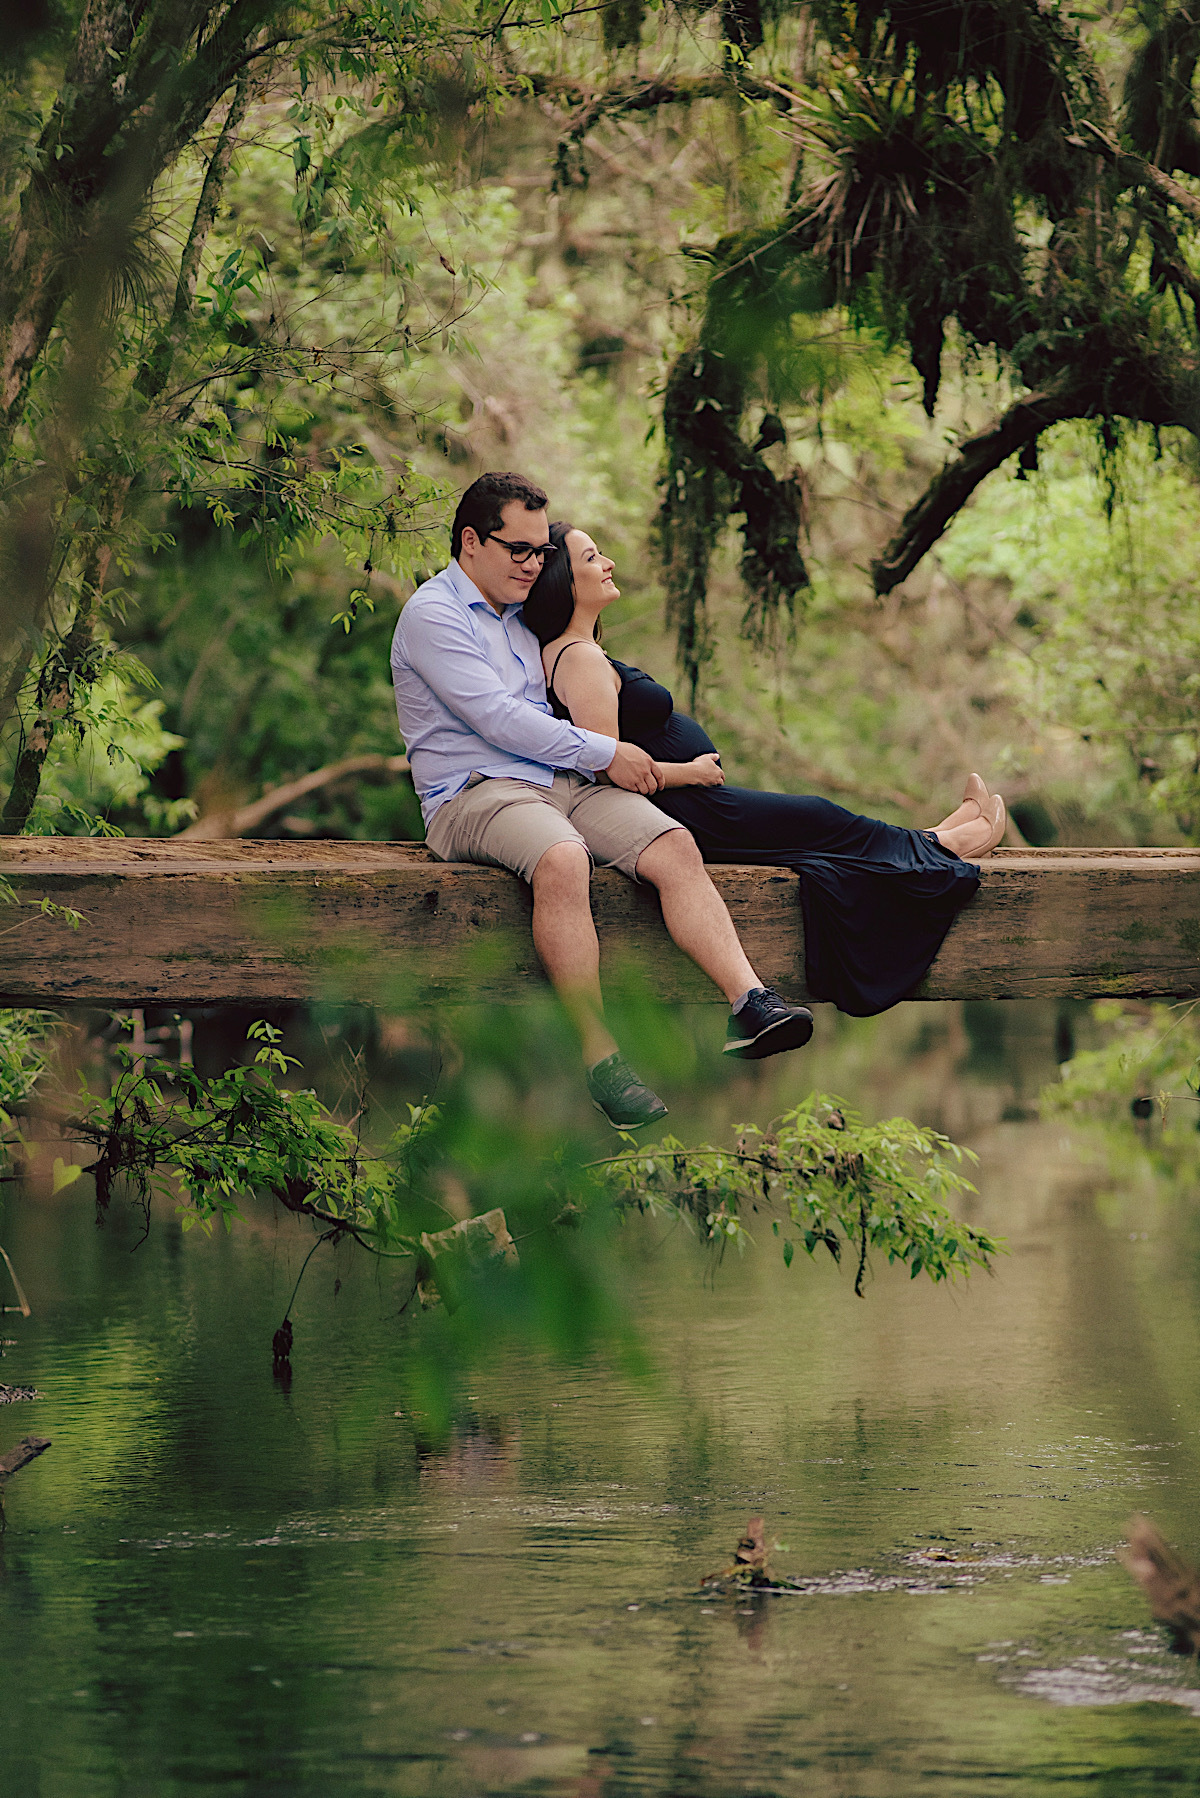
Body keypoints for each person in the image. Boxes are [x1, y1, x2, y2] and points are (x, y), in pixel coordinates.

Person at [390, 472, 815, 1131]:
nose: (535, 564)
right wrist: (603, 751)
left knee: (673, 843)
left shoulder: (521, 617)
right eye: (520, 550)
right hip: (473, 794)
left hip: (557, 782)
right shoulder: (433, 615)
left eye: (542, 552)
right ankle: (600, 1058)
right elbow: (497, 719)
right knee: (564, 858)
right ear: (471, 541)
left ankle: (750, 1003)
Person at [521, 522, 1007, 1018]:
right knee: (817, 817)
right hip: (681, 809)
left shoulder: (580, 650)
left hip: (689, 803)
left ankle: (926, 838)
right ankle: (942, 847)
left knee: (817, 833)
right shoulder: (576, 658)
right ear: (565, 583)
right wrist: (692, 773)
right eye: (591, 559)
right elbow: (608, 767)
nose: (608, 564)